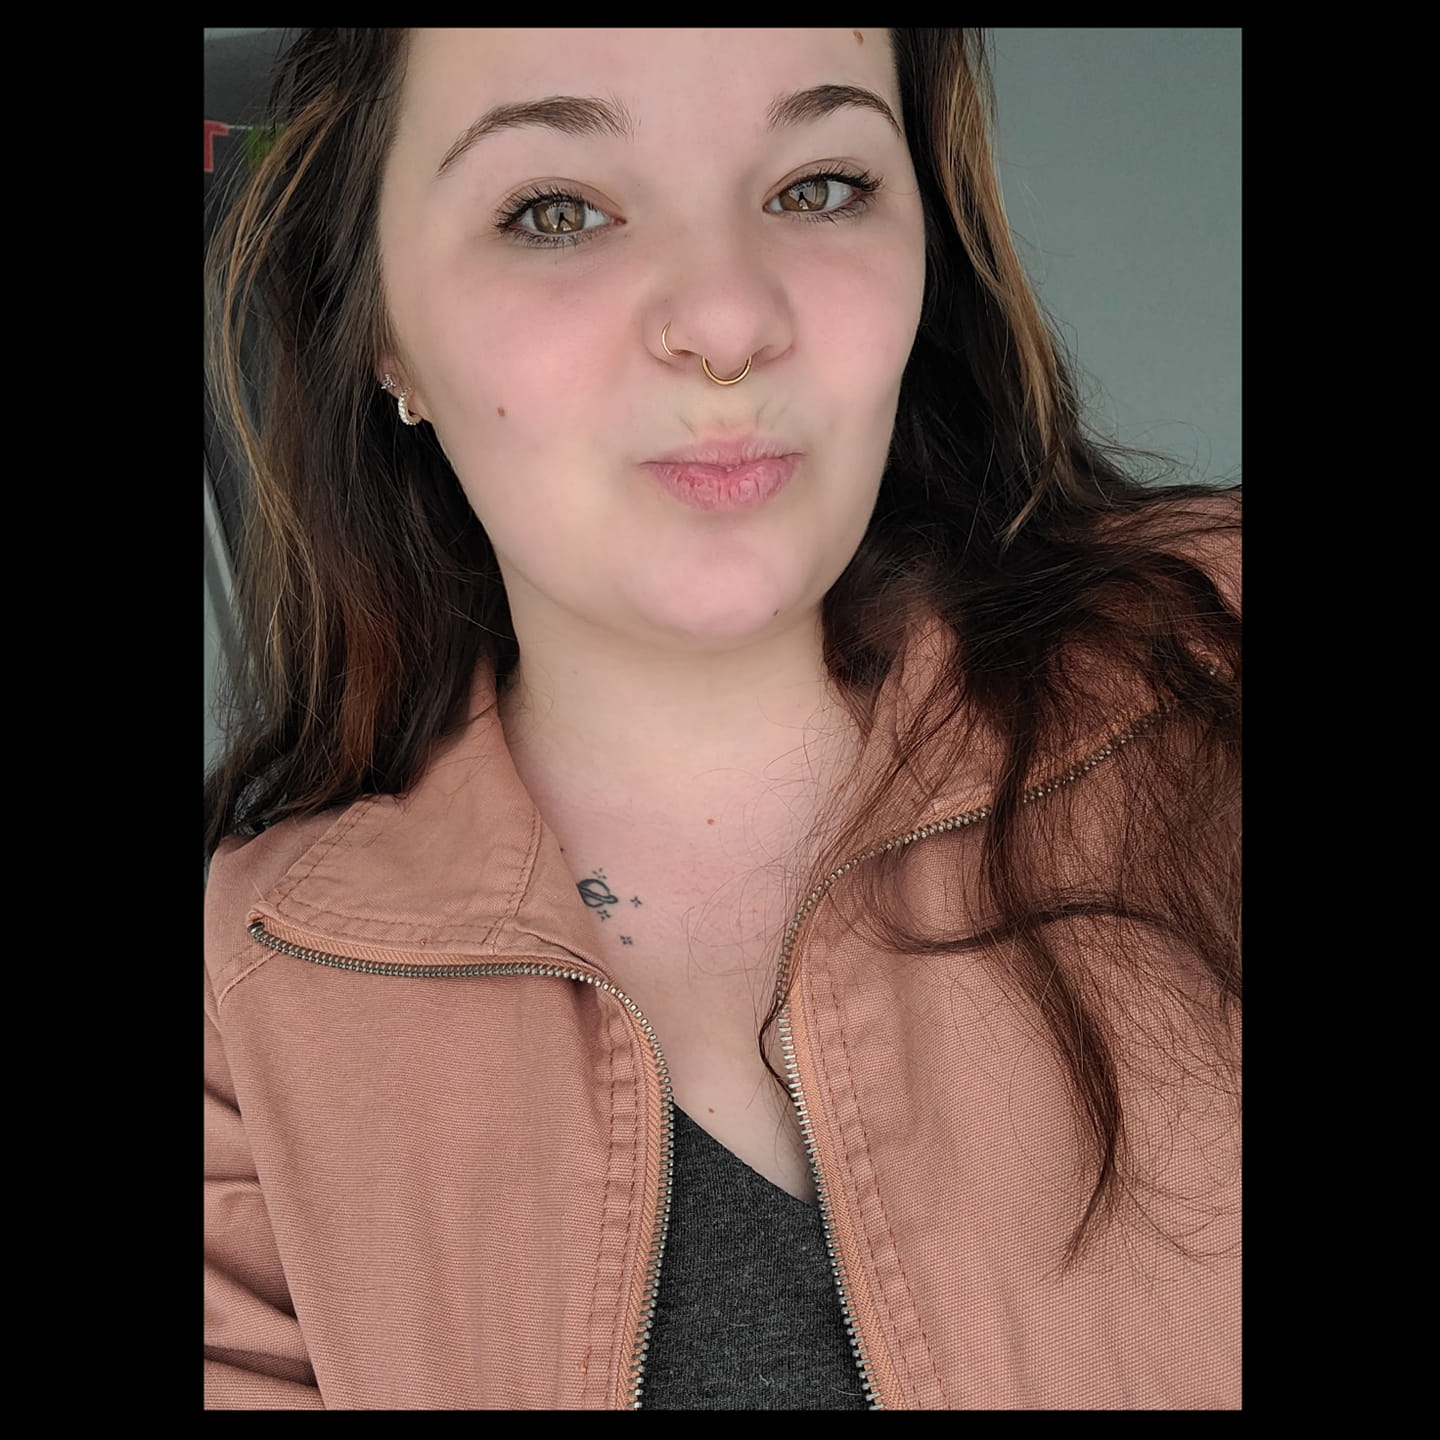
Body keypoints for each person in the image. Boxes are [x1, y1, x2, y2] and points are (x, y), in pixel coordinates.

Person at [203, 28, 1240, 1411]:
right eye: (556, 210)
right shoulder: (247, 1018)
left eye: (818, 187)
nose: (729, 318)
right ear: (386, 328)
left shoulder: (1218, 680)